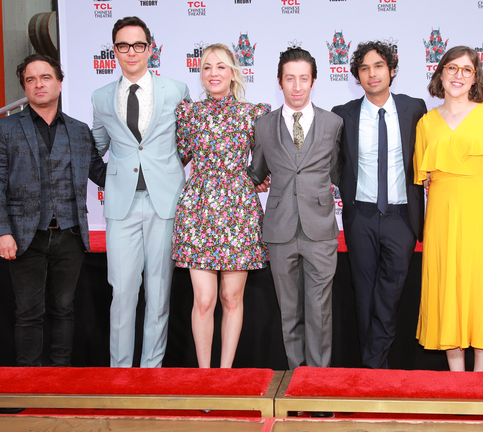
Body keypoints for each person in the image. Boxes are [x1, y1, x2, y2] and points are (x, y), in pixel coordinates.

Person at [0, 54, 107, 368]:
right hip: (25, 237)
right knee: (28, 314)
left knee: (64, 310)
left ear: (60, 83)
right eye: (31, 79)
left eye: (46, 77)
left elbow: (101, 173)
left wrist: (145, 163)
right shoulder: (5, 128)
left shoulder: (79, 131)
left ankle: (60, 381)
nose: (39, 84)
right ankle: (29, 383)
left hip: (70, 235)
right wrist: (1, 231)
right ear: (25, 87)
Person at [91, 16, 191, 368]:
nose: (130, 52)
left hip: (165, 202)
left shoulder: (177, 90)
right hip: (122, 206)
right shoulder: (101, 96)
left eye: (138, 45)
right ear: (114, 50)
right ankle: (120, 373)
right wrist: (111, 179)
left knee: (159, 292)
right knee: (122, 292)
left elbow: (189, 143)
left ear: (150, 48)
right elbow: (95, 147)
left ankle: (151, 372)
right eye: (122, 45)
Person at [172, 43, 270, 368]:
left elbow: (267, 159)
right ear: (200, 74)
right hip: (198, 210)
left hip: (238, 210)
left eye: (221, 67)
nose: (214, 73)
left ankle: (224, 376)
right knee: (204, 299)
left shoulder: (253, 114)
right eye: (207, 67)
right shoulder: (188, 114)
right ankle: (204, 377)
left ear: (233, 73)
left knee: (231, 298)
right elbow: (177, 157)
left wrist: (261, 177)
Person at [248, 48, 343, 381]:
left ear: (314, 81)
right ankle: (298, 378)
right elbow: (256, 171)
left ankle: (316, 383)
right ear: (279, 82)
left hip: (320, 230)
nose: (297, 86)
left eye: (304, 78)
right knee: (290, 312)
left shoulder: (334, 123)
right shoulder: (263, 125)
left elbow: (336, 171)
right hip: (279, 229)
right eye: (290, 78)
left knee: (319, 310)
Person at [413, 46, 483, 372]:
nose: (458, 75)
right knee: (445, 286)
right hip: (442, 212)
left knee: (481, 287)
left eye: (467, 70)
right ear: (441, 73)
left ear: (475, 78)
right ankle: (458, 383)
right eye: (452, 68)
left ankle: (480, 382)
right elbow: (422, 178)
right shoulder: (426, 123)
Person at [332, 41, 427, 369]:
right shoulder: (343, 114)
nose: (372, 74)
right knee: (364, 296)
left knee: (388, 298)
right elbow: (336, 165)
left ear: (391, 70)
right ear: (357, 76)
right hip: (361, 215)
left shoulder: (415, 108)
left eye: (378, 66)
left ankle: (372, 370)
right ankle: (377, 373)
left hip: (402, 217)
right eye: (364, 68)